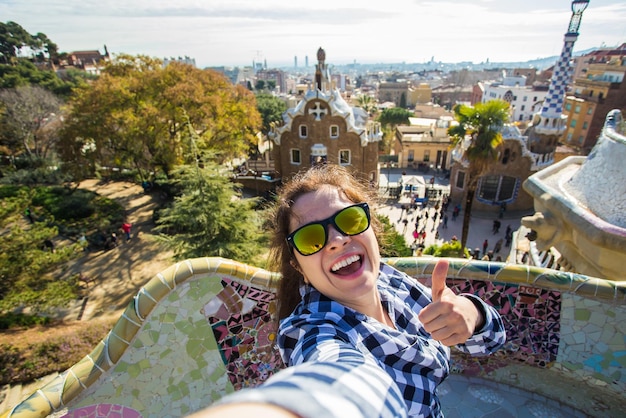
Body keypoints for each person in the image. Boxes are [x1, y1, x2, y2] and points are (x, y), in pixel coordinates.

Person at [192, 164, 505, 418]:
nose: (337, 239)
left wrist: (472, 314)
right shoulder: (315, 330)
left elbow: (491, 342)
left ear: (370, 227)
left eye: (350, 219)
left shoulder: (392, 284)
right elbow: (334, 377)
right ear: (298, 265)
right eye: (311, 238)